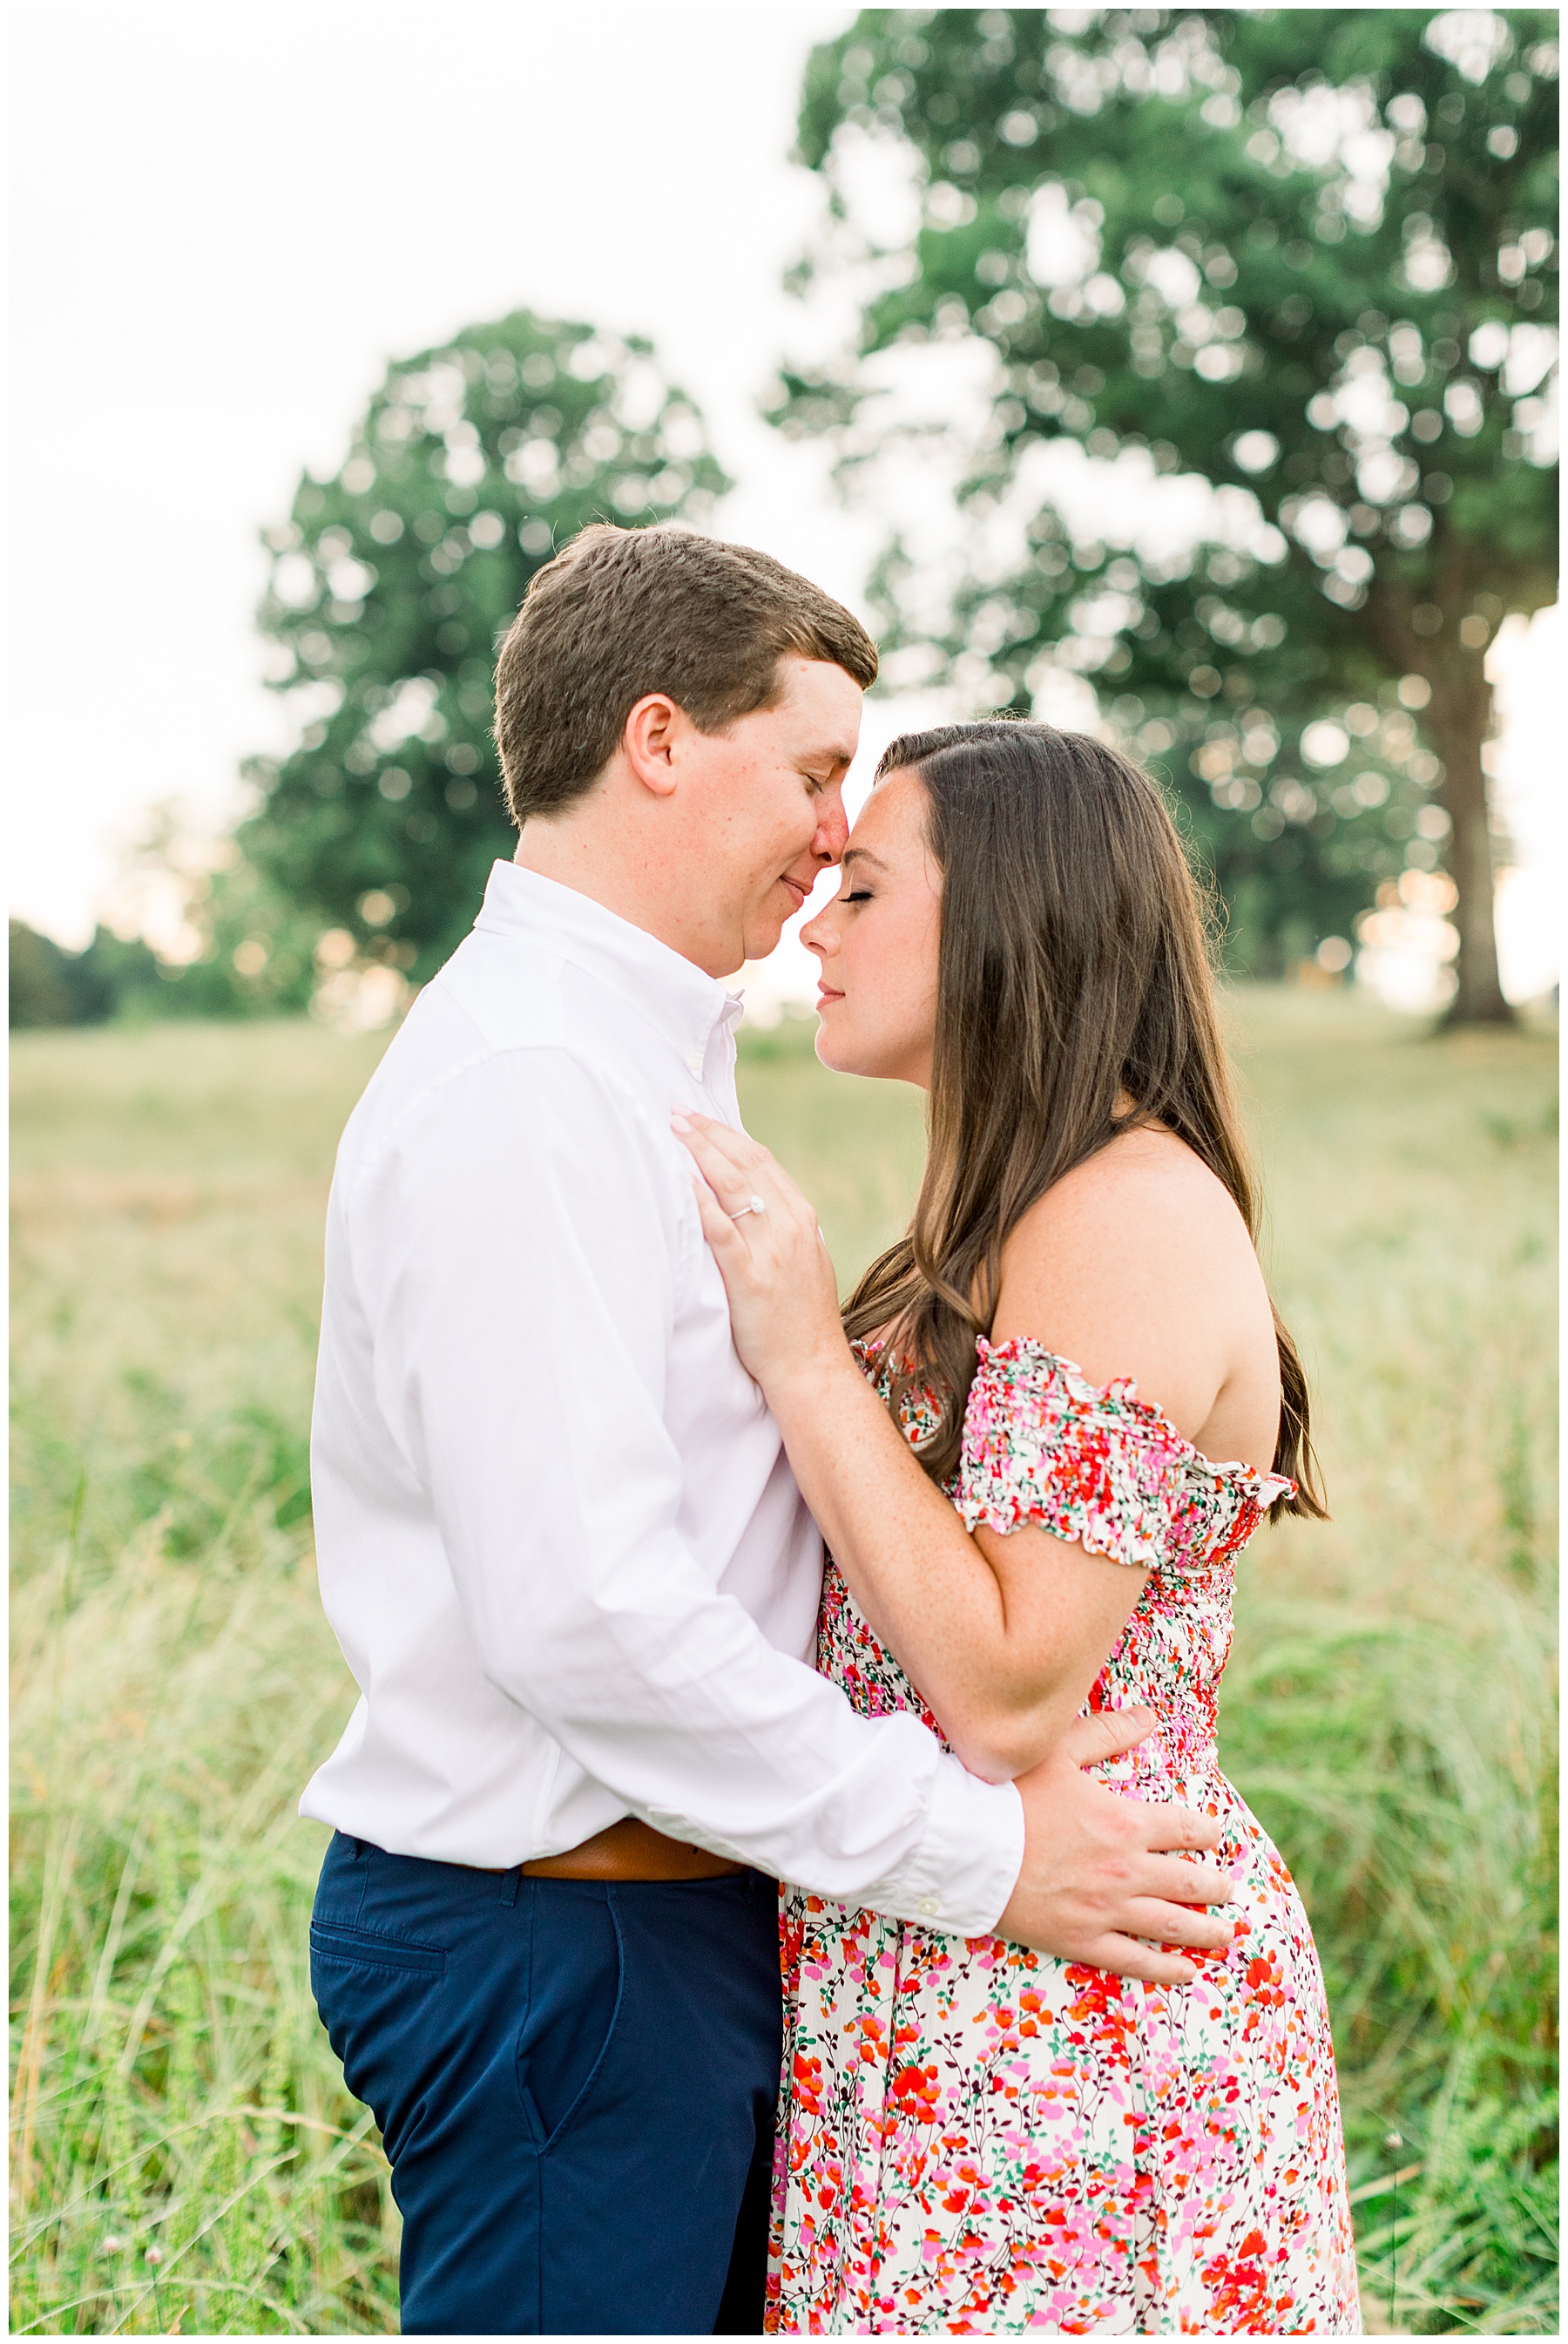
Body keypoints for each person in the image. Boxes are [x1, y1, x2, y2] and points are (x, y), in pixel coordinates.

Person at [300, 531, 1239, 2339]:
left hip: (683, 1926)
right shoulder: (536, 1085)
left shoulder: (643, 1054)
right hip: (567, 1939)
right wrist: (979, 1856)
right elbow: (586, 1613)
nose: (830, 834)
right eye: (814, 773)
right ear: (658, 739)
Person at [673, 721, 1362, 2335]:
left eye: (863, 890)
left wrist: (800, 1349)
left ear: (1006, 918)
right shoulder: (1007, 1207)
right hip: (951, 1978)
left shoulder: (1122, 1214)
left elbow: (1003, 1689)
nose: (814, 928)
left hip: (1079, 2022)